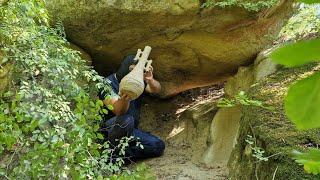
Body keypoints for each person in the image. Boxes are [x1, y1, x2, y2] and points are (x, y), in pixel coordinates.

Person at [98, 55, 165, 161]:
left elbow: (156, 89)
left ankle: (120, 155)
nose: (136, 73)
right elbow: (119, 111)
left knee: (158, 145)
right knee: (126, 120)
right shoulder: (105, 84)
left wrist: (150, 80)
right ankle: (111, 154)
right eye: (132, 70)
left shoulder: (138, 81)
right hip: (111, 130)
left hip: (131, 131)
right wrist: (127, 96)